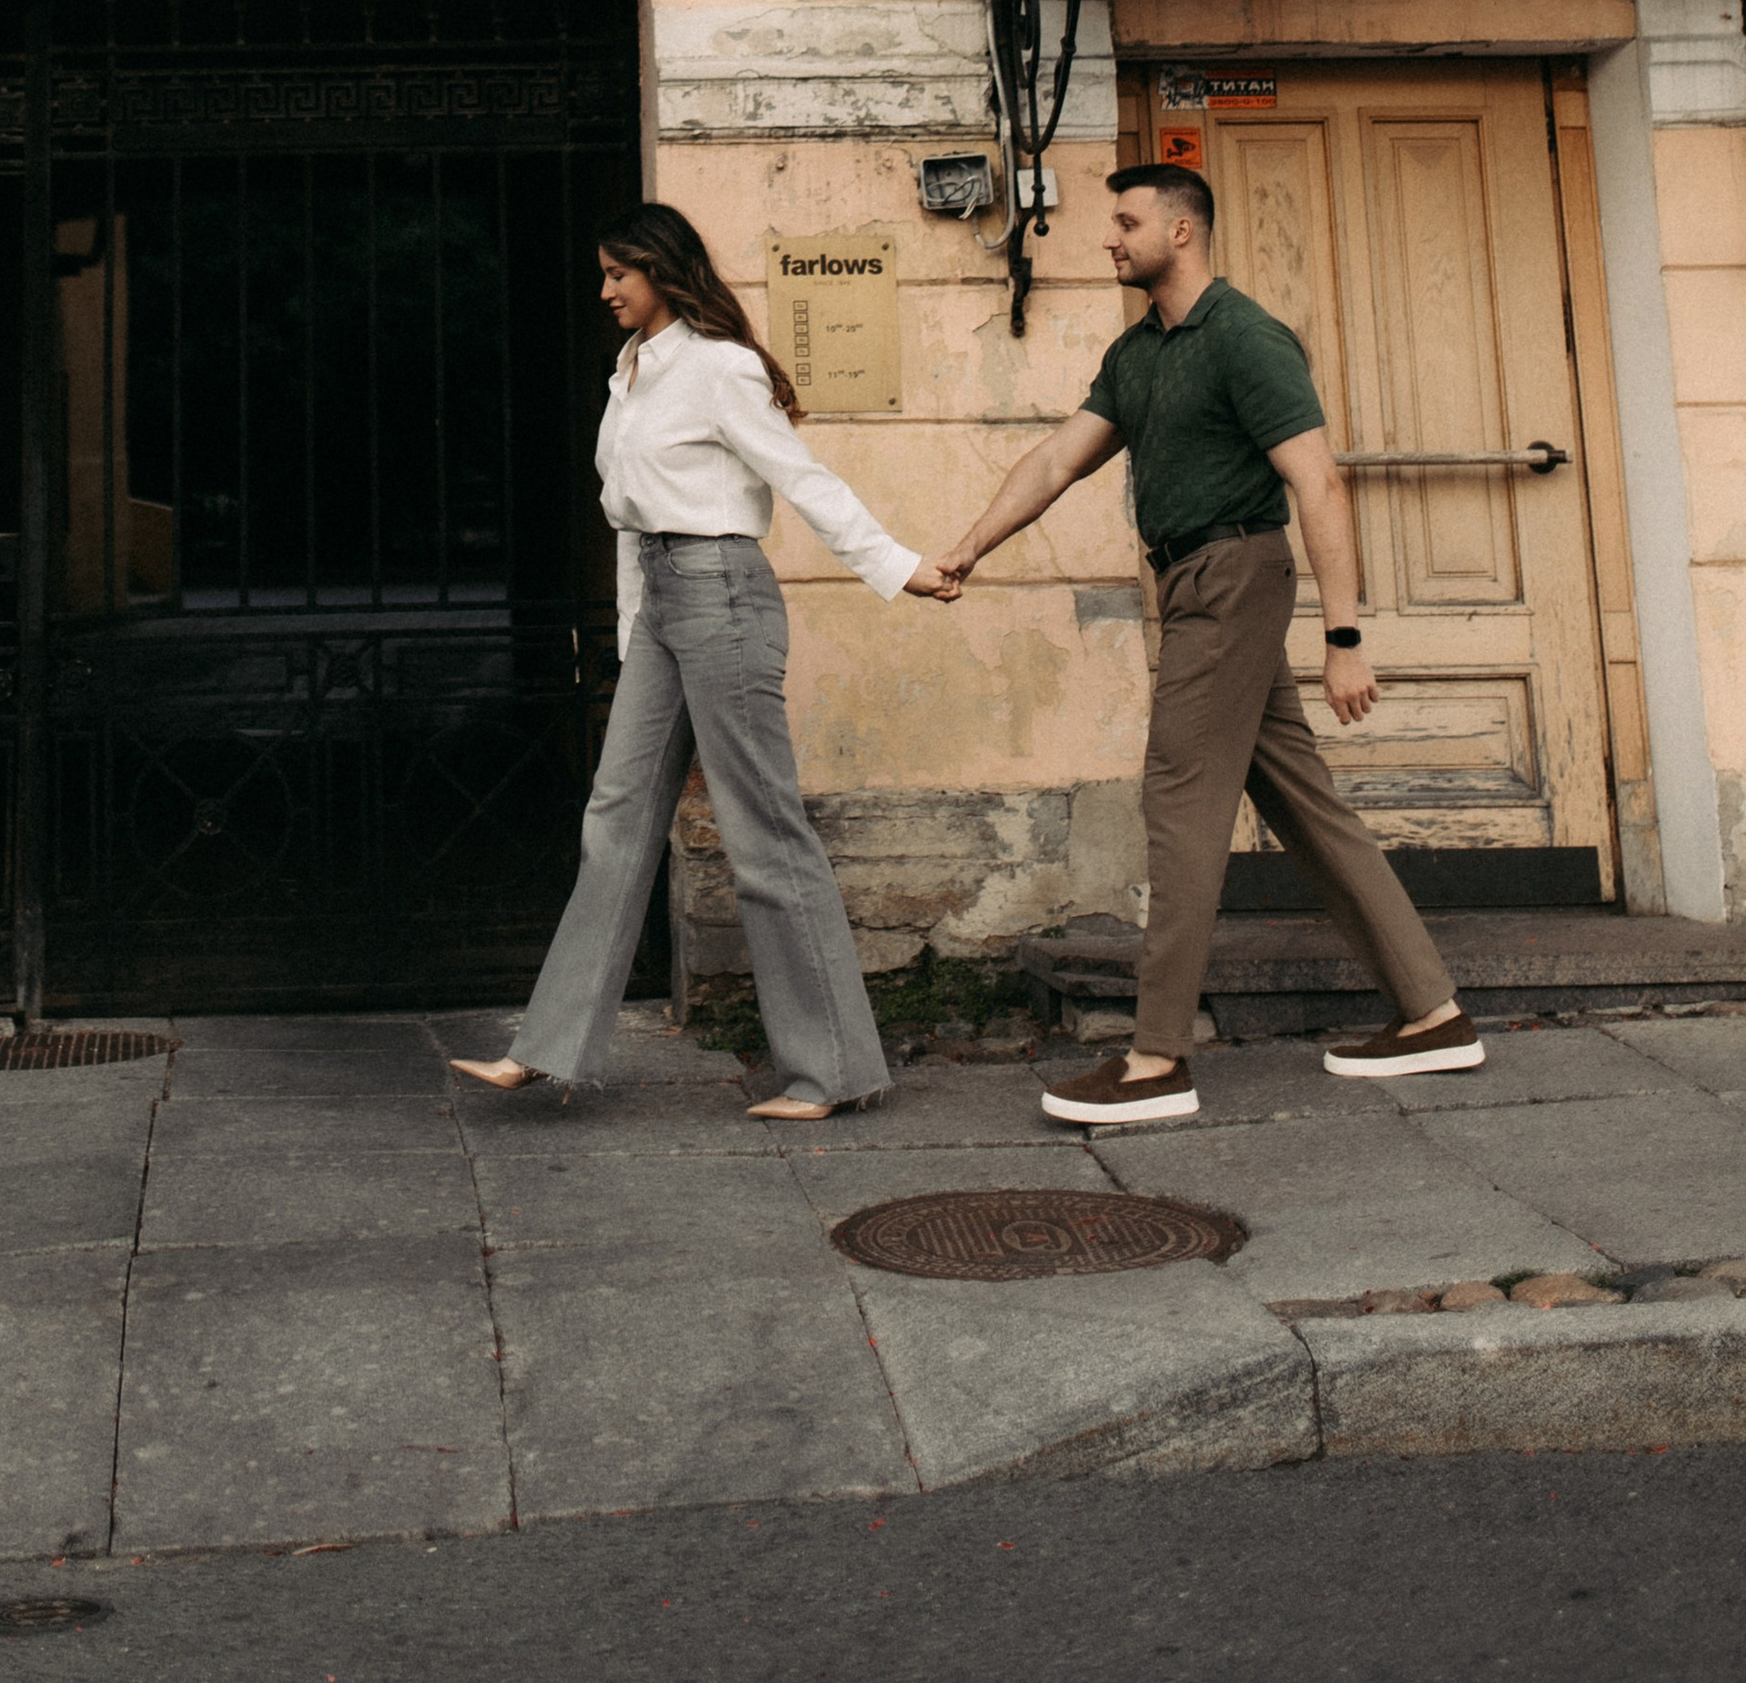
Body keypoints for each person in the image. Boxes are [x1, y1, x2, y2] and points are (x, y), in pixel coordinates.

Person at [936, 161, 1480, 1125]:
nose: (1109, 236)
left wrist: (1345, 636)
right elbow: (1060, 457)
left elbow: (1319, 484)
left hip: (1234, 573)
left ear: (1181, 232)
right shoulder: (1140, 352)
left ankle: (1155, 1061)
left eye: (1126, 221)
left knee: (1180, 799)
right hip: (1192, 581)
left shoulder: (1247, 338)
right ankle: (1431, 1010)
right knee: (1299, 798)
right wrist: (970, 547)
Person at [454, 201, 958, 1121]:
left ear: (662, 271)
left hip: (722, 591)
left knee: (762, 830)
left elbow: (804, 478)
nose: (605, 291)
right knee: (613, 816)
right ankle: (550, 1045)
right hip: (663, 601)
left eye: (620, 274)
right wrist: (633, 635)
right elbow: (630, 519)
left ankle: (831, 1070)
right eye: (603, 275)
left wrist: (897, 566)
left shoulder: (721, 368)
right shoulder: (633, 373)